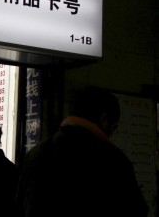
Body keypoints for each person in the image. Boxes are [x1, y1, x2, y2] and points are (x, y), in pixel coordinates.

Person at [16, 86, 148, 217]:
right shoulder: (113, 159)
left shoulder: (34, 155)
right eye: (114, 128)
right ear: (104, 120)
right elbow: (135, 210)